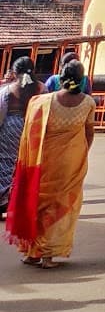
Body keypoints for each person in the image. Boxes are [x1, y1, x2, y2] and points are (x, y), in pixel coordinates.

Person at [4, 59, 94, 268]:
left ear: (61, 77)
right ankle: (47, 256)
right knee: (60, 206)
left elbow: (29, 134)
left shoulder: (42, 101)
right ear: (81, 80)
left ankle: (31, 253)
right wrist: (81, 153)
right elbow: (89, 132)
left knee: (37, 203)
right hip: (71, 162)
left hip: (42, 161)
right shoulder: (89, 103)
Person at [1, 57, 42, 218]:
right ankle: (22, 202)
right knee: (26, 166)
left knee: (4, 165)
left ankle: (3, 200)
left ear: (13, 72)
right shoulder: (41, 89)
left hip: (10, 131)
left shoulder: (7, 90)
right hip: (32, 131)